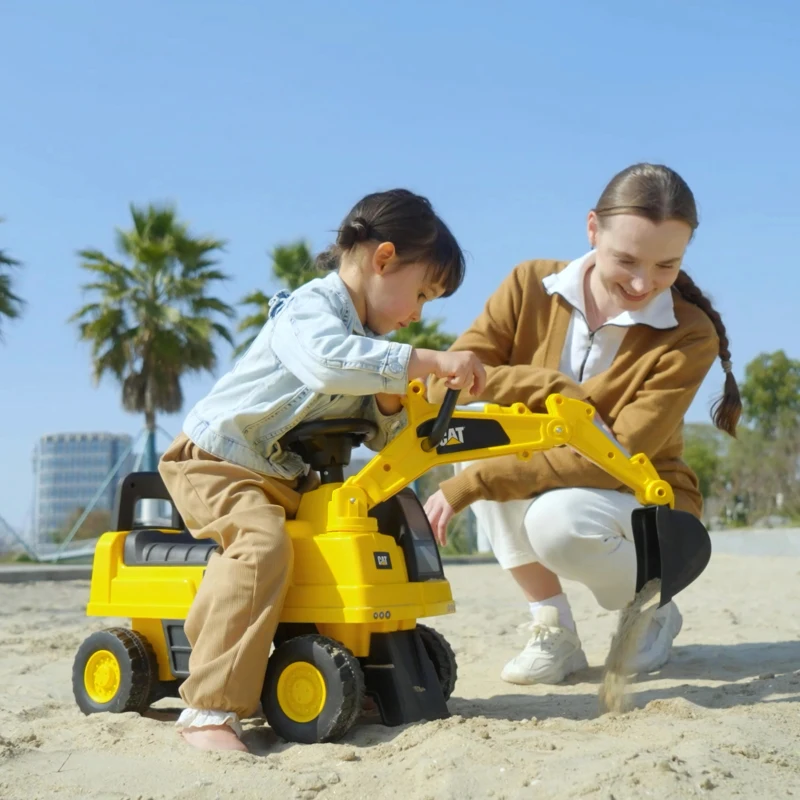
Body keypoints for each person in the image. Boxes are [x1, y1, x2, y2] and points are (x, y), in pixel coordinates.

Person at [158, 188, 486, 752]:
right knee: (260, 546)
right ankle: (210, 708)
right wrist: (424, 359)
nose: (418, 314)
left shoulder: (370, 346)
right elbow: (326, 362)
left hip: (286, 479)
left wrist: (393, 402)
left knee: (343, 547)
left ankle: (353, 669)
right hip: (217, 463)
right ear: (384, 258)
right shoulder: (311, 309)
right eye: (421, 294)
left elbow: (377, 430)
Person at [424, 163, 741, 686]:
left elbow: (615, 455)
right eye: (626, 260)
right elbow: (444, 387)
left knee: (558, 520)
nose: (642, 283)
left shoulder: (689, 334)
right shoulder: (529, 285)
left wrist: (473, 483)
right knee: (478, 425)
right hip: (551, 474)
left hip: (638, 497)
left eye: (667, 265)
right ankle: (553, 628)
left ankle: (654, 605)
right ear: (592, 228)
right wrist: (550, 388)